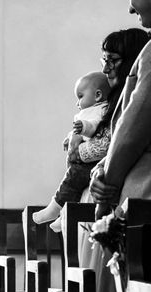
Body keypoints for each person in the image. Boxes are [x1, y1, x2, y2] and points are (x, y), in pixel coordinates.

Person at [49, 27, 149, 292]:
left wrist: (98, 178)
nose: (106, 66)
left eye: (113, 59)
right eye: (103, 58)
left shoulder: (124, 96)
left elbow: (111, 149)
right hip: (107, 204)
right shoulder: (110, 102)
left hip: (121, 204)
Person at [92, 6, 151, 219]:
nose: (129, 7)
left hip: (143, 196)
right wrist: (100, 169)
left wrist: (106, 186)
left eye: (112, 60)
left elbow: (132, 132)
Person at [33, 72, 111, 231]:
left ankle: (54, 208)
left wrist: (84, 128)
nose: (77, 102)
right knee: (72, 185)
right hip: (84, 160)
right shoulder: (89, 110)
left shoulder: (101, 109)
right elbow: (76, 132)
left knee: (72, 180)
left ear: (97, 95)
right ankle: (62, 214)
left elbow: (96, 126)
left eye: (80, 96)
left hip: (94, 164)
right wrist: (69, 139)